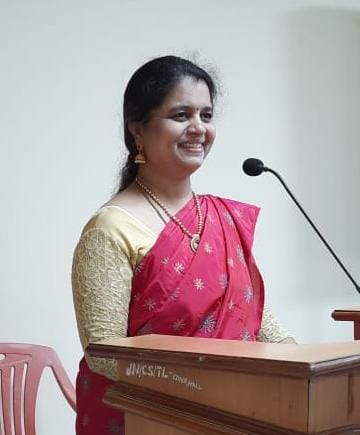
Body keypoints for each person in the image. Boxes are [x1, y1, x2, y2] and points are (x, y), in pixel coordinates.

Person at [71, 55, 293, 435]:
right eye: (181, 115)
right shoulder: (110, 229)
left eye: (206, 115)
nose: (198, 128)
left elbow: (255, 320)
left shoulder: (219, 219)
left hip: (229, 412)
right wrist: (198, 383)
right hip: (144, 418)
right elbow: (104, 352)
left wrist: (301, 361)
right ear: (138, 129)